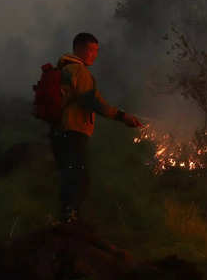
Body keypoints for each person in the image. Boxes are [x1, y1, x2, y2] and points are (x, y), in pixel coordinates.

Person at [50, 32, 142, 222]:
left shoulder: (64, 70)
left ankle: (67, 217)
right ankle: (70, 219)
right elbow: (92, 102)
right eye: (91, 50)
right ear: (79, 49)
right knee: (79, 178)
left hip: (59, 132)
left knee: (70, 175)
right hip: (74, 131)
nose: (94, 54)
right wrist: (122, 116)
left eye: (96, 51)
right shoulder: (79, 71)